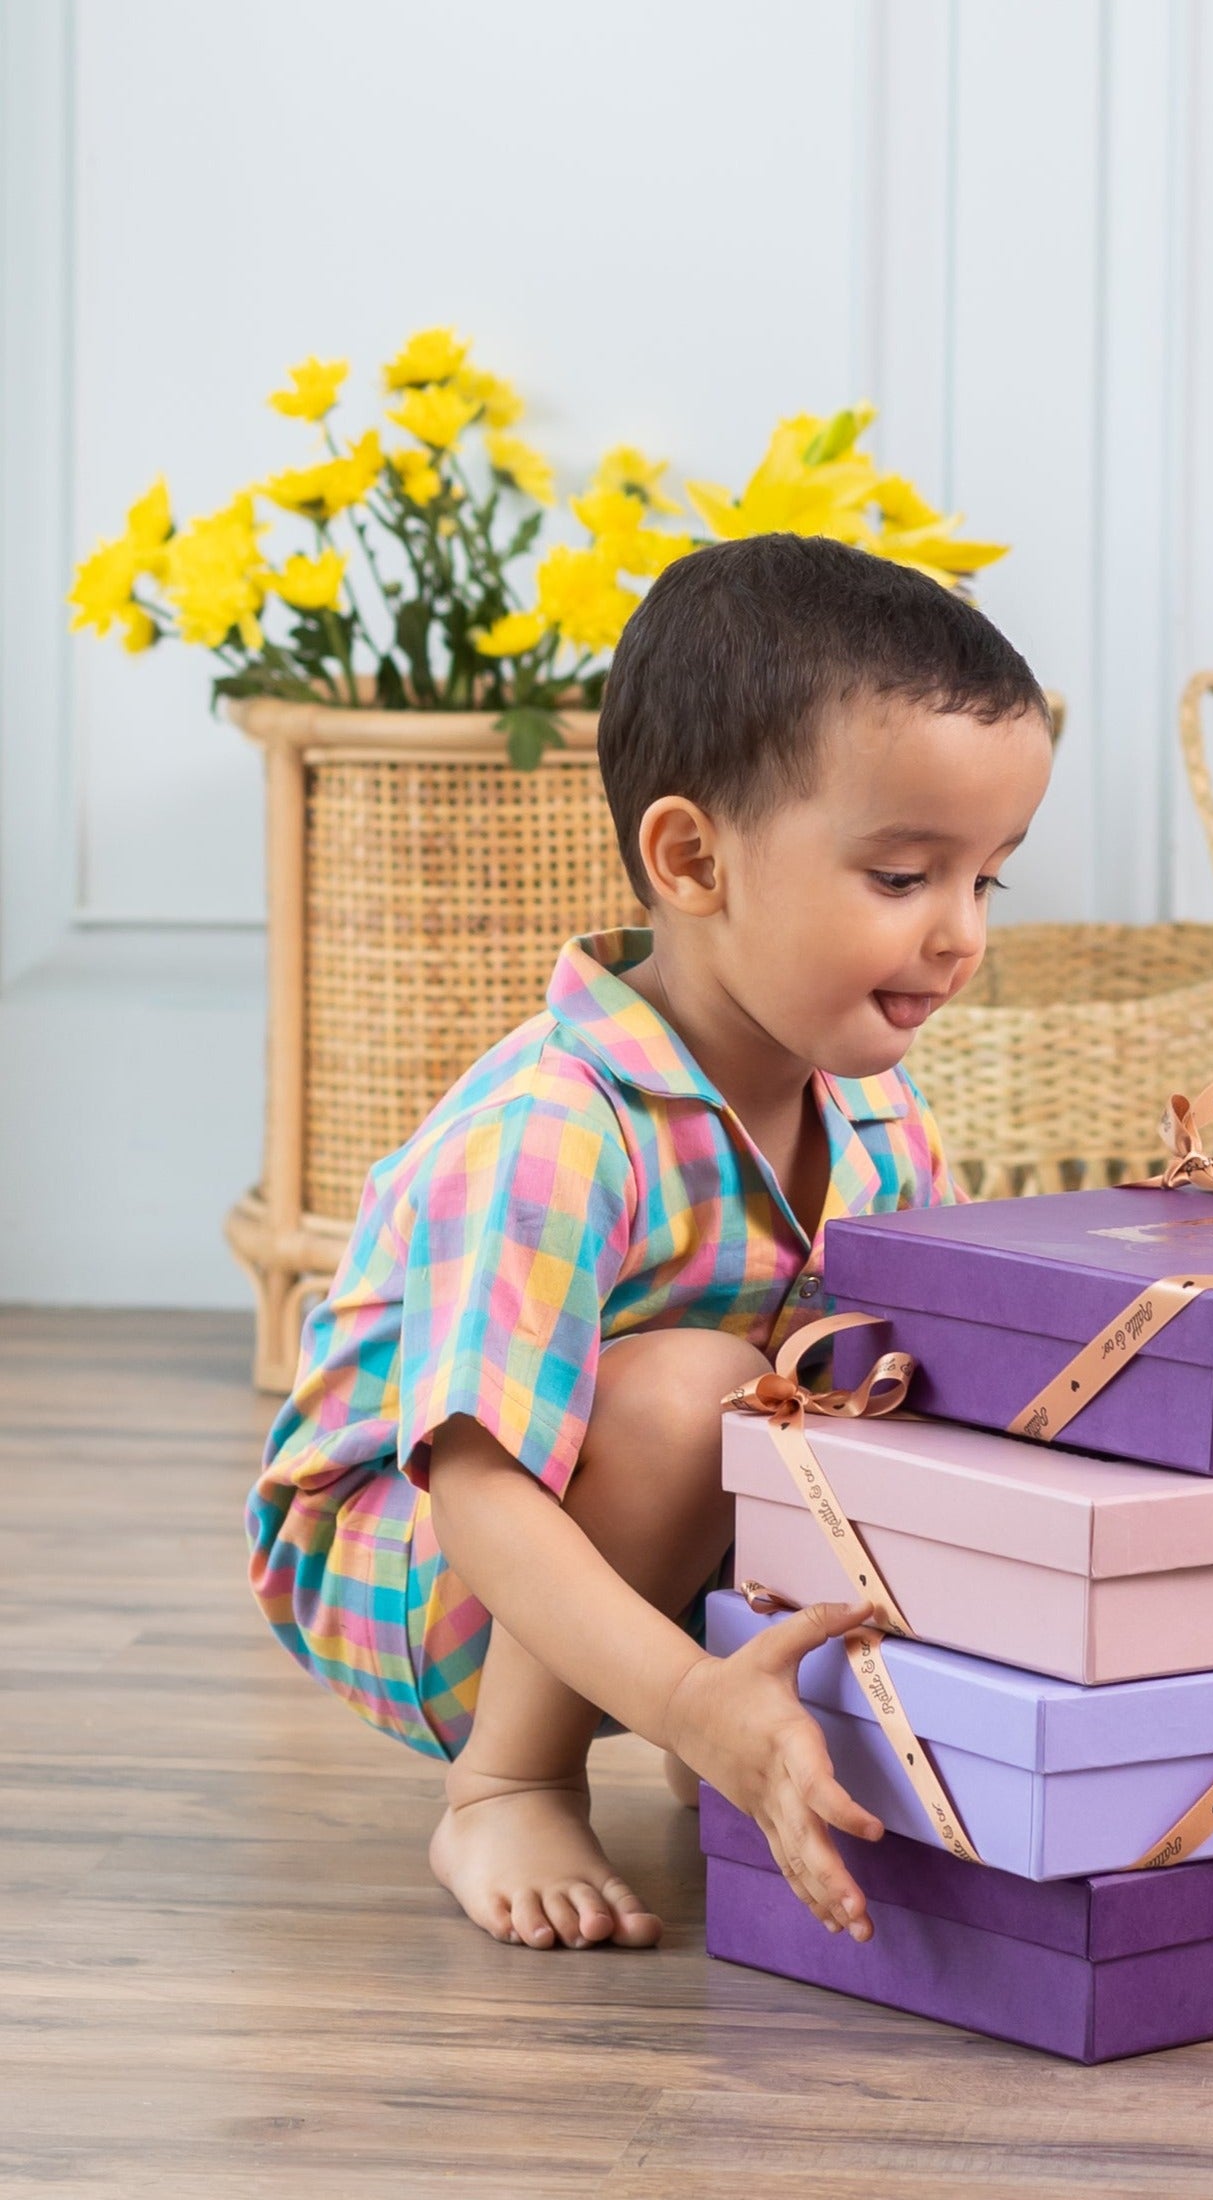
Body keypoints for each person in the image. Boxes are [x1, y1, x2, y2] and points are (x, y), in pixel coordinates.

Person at [246, 533, 1053, 1952]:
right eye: (904, 875)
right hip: (426, 1554)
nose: (961, 933)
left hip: (637, 1524)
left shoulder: (877, 1119)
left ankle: (732, 1715)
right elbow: (479, 1484)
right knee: (690, 1393)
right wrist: (681, 1697)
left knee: (867, 1394)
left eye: (990, 881)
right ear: (692, 860)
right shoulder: (555, 1126)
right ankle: (510, 1777)